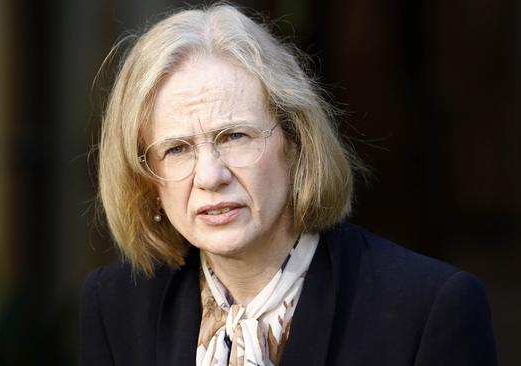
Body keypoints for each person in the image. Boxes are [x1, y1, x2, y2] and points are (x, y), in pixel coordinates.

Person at [79, 4, 497, 366]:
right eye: (177, 149)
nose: (209, 176)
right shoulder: (115, 306)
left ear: (295, 143)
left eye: (234, 136)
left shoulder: (429, 309)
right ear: (147, 179)